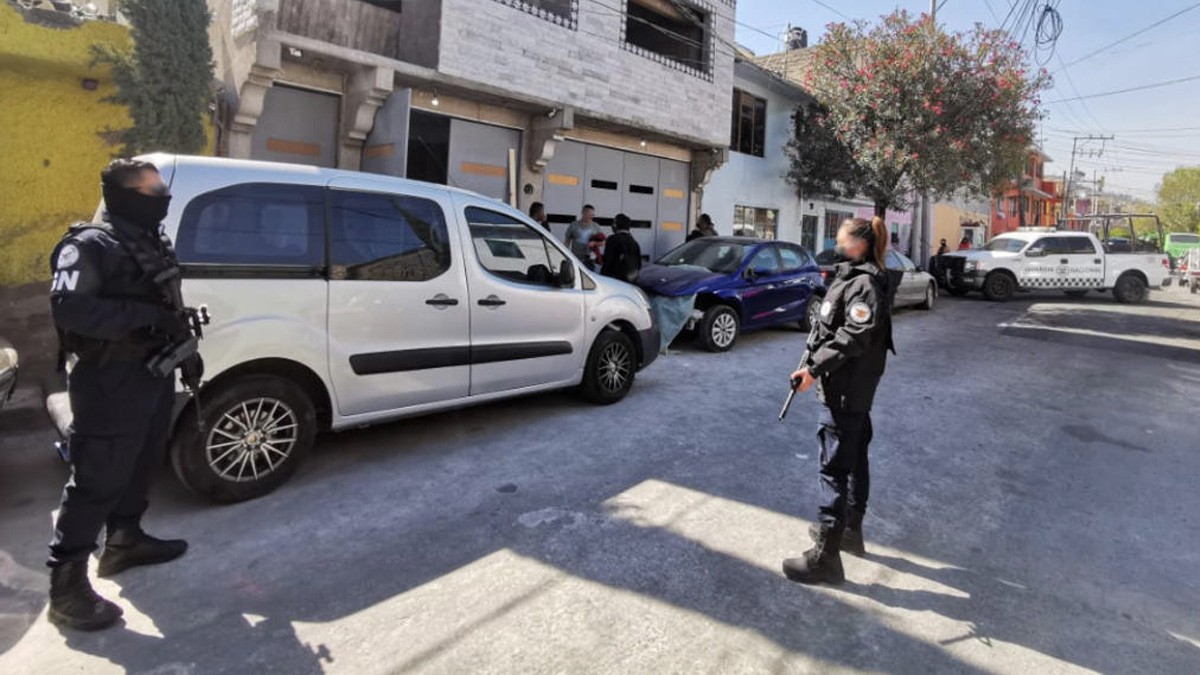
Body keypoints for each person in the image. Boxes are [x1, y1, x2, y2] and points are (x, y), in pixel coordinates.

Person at [45, 158, 202, 631]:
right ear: (125, 195)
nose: (164, 200)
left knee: (142, 460)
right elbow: (71, 311)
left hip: (152, 371)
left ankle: (125, 541)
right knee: (99, 474)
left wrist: (184, 349)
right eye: (155, 193)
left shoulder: (150, 240)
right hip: (108, 379)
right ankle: (66, 586)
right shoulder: (89, 246)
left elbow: (165, 302)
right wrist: (146, 319)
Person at [783, 216, 895, 586]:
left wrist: (814, 369)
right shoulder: (857, 277)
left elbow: (852, 337)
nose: (837, 244)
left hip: (846, 389)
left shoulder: (863, 283)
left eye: (842, 238)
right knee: (854, 457)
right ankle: (848, 532)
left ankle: (826, 558)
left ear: (859, 244)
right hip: (853, 388)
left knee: (833, 468)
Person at [600, 213, 643, 282]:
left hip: (614, 279)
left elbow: (607, 260)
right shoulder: (634, 242)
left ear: (616, 225)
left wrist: (603, 276)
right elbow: (639, 264)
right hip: (630, 279)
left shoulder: (612, 239)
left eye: (614, 223)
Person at [565, 205, 602, 269]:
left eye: (592, 214)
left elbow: (603, 241)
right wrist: (565, 254)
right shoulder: (573, 225)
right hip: (575, 258)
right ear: (583, 213)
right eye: (589, 214)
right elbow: (567, 241)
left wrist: (595, 243)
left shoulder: (596, 226)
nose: (591, 216)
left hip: (590, 259)